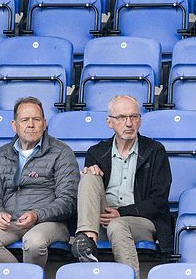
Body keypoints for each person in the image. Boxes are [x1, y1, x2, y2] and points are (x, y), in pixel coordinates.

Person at [70, 95, 172, 279]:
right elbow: (90, 193)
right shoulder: (96, 152)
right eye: (121, 118)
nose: (129, 123)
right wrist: (90, 173)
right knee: (88, 176)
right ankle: (87, 240)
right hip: (101, 219)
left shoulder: (155, 151)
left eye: (134, 117)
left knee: (117, 225)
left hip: (141, 221)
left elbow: (159, 201)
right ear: (110, 122)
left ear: (140, 121)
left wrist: (121, 213)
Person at [0, 96, 79, 267]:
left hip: (49, 222)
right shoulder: (0, 155)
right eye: (25, 120)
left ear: (44, 124)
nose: (31, 125)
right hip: (12, 222)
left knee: (34, 241)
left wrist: (37, 214)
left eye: (36, 119)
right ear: (14, 126)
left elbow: (68, 200)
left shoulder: (62, 152)